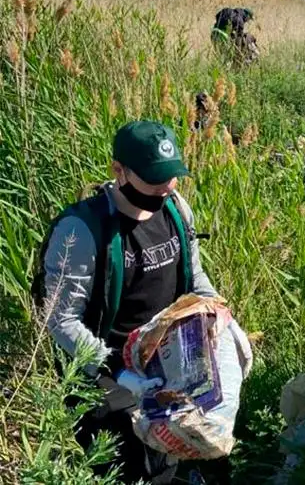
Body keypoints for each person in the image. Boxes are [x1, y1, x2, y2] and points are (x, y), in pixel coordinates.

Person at [38, 121, 221, 483]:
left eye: (171, 177)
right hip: (105, 370)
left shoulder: (176, 209)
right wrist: (120, 373)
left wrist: (216, 309)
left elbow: (195, 277)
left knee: (184, 456)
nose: (166, 188)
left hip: (167, 359)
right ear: (118, 171)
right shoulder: (81, 231)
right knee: (131, 468)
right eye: (154, 179)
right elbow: (61, 319)